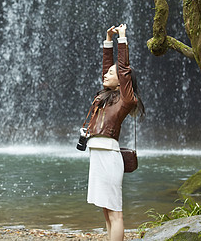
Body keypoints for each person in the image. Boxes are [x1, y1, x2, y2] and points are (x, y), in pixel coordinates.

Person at [83, 24, 145, 241]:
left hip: (109, 157)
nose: (106, 74)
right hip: (97, 155)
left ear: (122, 82)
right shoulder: (105, 96)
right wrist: (108, 40)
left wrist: (123, 39)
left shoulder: (126, 100)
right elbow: (109, 69)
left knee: (115, 212)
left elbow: (123, 70)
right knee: (106, 211)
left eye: (112, 73)